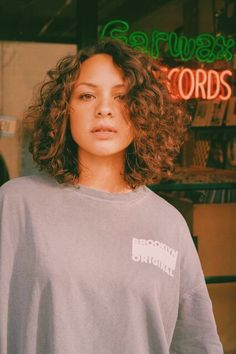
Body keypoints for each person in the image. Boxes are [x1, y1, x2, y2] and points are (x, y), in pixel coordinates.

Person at [0, 39, 223, 354]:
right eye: (87, 95)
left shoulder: (168, 224)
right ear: (64, 109)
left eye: (122, 97)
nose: (104, 108)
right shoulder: (16, 204)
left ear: (142, 111)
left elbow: (196, 343)